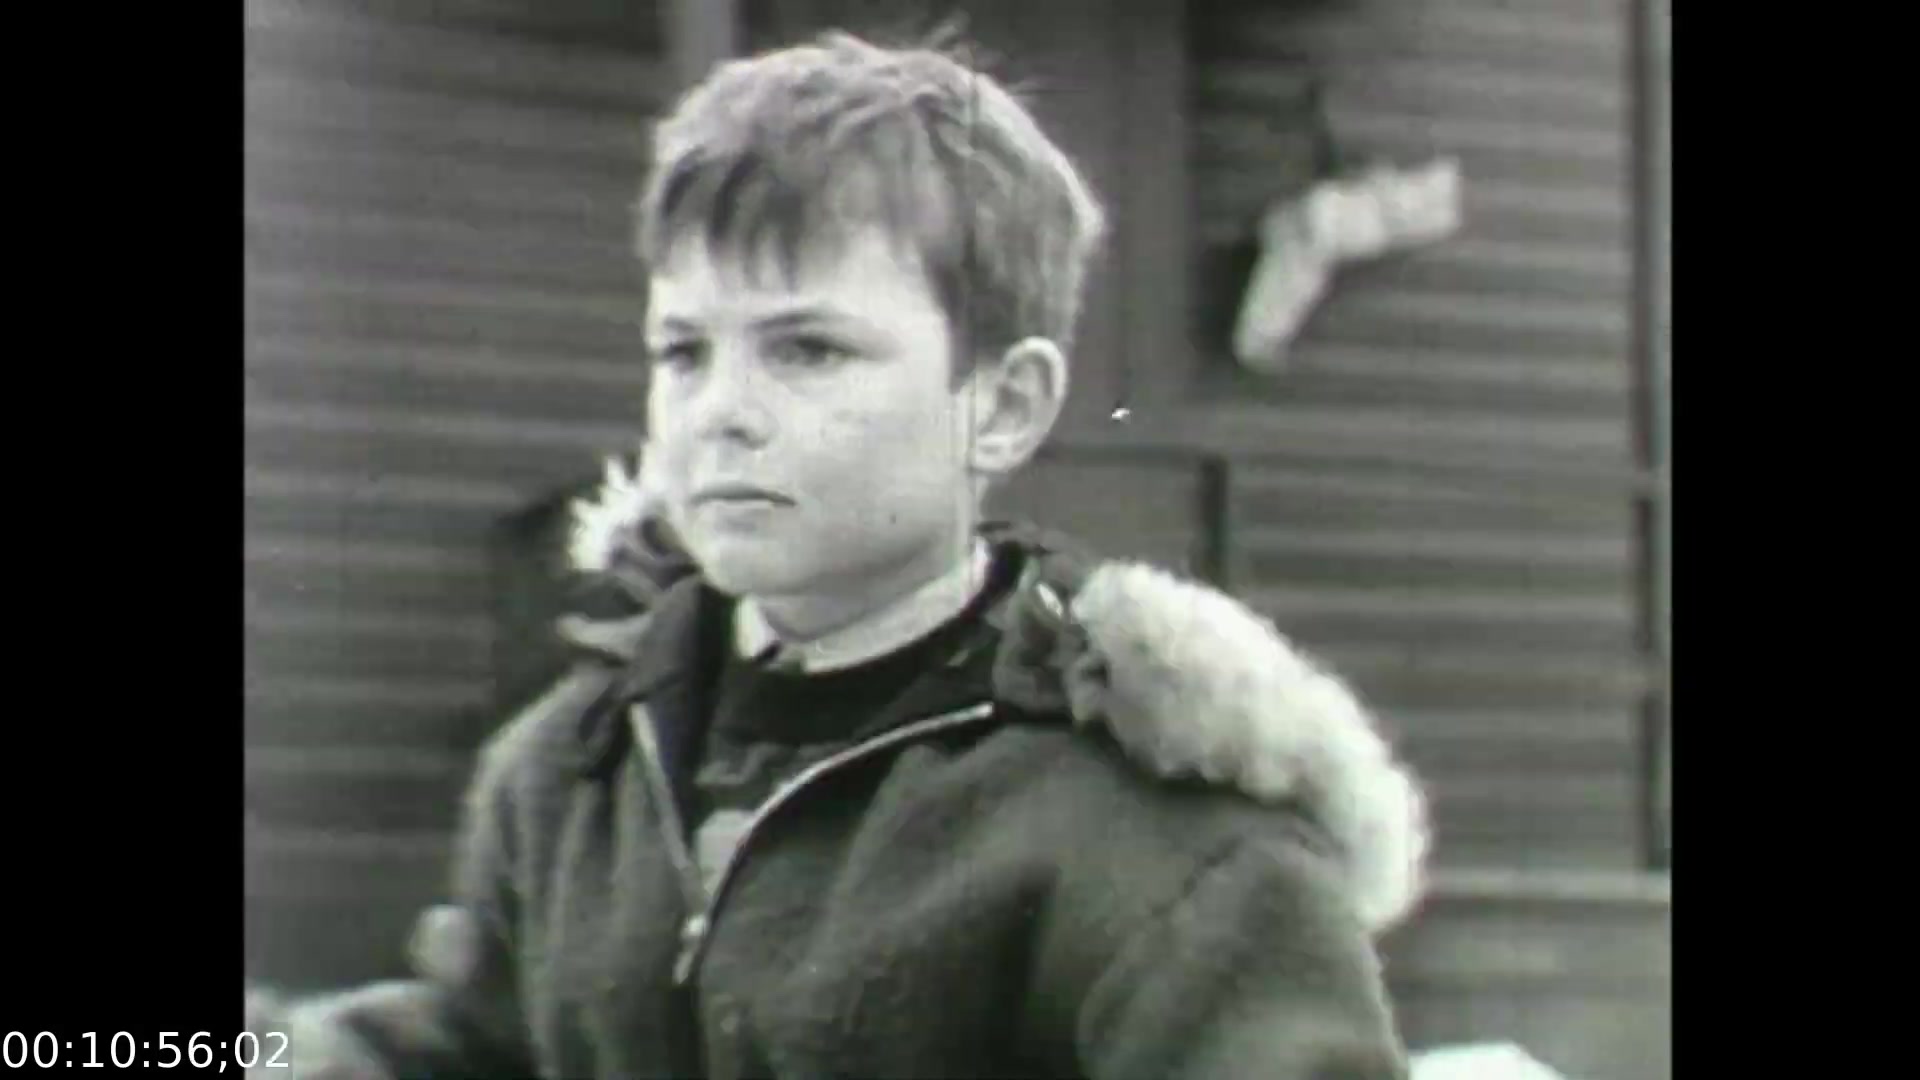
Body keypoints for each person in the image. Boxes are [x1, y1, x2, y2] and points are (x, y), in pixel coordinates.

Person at [245, 29, 1431, 1079]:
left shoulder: (1159, 835)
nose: (721, 411)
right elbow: (470, 1050)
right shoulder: (576, 766)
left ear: (1003, 405)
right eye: (684, 352)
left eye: (807, 349)